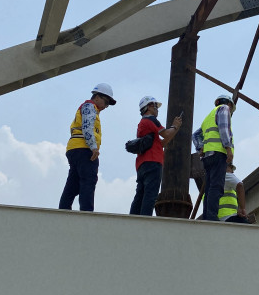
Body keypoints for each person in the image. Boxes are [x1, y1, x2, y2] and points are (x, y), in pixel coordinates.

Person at [58, 83, 116, 212]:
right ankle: (87, 214)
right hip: (84, 149)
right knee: (88, 180)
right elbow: (87, 127)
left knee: (73, 183)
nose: (106, 106)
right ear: (97, 97)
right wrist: (93, 147)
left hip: (74, 148)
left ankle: (63, 210)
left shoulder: (87, 107)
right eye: (106, 102)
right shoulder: (90, 107)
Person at [129, 96, 182, 216]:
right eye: (155, 106)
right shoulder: (151, 120)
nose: (157, 109)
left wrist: (175, 129)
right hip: (153, 162)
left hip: (142, 164)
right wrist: (175, 126)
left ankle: (133, 219)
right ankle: (145, 221)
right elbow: (167, 133)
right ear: (148, 107)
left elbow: (163, 142)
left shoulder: (142, 124)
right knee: (150, 194)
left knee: (141, 194)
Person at [193, 93, 235, 221]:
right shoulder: (224, 109)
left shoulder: (208, 117)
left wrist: (200, 148)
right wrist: (228, 148)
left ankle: (207, 216)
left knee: (210, 186)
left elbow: (195, 135)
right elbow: (223, 129)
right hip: (218, 153)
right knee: (216, 186)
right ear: (229, 104)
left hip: (207, 156)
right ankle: (211, 217)